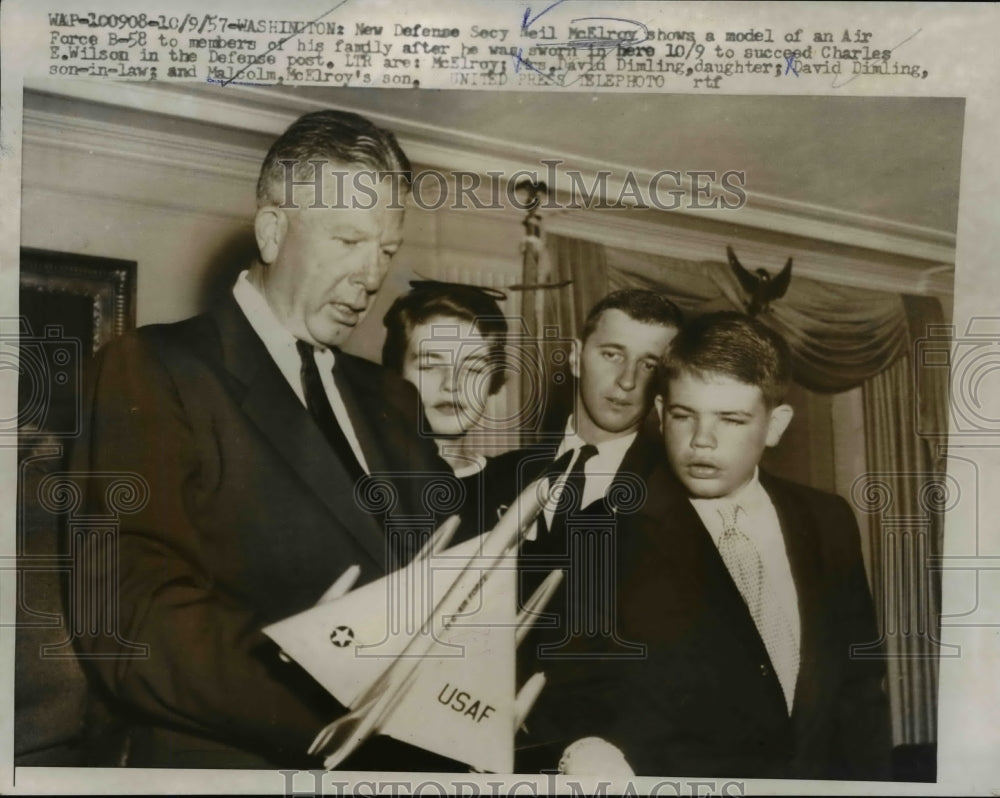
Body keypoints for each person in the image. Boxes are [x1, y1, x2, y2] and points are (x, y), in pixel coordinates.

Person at [69, 110, 452, 768]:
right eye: (348, 240)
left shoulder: (395, 399)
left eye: (386, 252)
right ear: (273, 231)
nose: (371, 277)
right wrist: (325, 689)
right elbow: (130, 619)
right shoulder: (154, 369)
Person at [562, 312, 893, 779]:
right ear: (660, 414)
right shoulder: (603, 529)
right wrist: (586, 751)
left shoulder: (828, 519)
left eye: (731, 419)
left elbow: (859, 692)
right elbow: (570, 694)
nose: (702, 441)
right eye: (684, 416)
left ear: (775, 425)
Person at [513, 289, 683, 770]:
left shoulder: (682, 502)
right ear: (575, 356)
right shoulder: (499, 477)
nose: (627, 380)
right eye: (612, 354)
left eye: (649, 364)